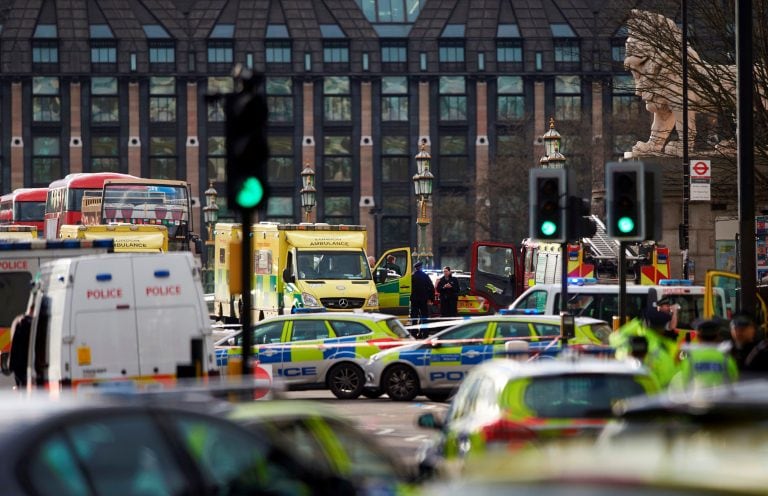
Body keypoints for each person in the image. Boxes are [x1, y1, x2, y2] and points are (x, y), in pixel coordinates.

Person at [611, 309, 678, 388]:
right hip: (654, 397)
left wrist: (637, 324)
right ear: (662, 329)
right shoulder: (663, 351)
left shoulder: (627, 346)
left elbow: (614, 338)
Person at [672, 318, 738, 391]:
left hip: (697, 399)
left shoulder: (690, 357)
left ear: (698, 337)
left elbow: (683, 379)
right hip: (721, 399)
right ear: (718, 337)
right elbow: (734, 378)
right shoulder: (726, 357)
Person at [8, 306, 33, 388]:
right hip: (23, 364)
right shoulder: (25, 322)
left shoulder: (17, 320)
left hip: (17, 364)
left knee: (21, 387)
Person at [410, 261, 434, 326]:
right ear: (421, 267)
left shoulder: (412, 276)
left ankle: (414, 332)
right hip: (423, 299)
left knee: (414, 316)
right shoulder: (425, 276)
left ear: (415, 268)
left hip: (414, 300)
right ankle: (424, 332)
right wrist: (431, 298)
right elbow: (431, 287)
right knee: (424, 316)